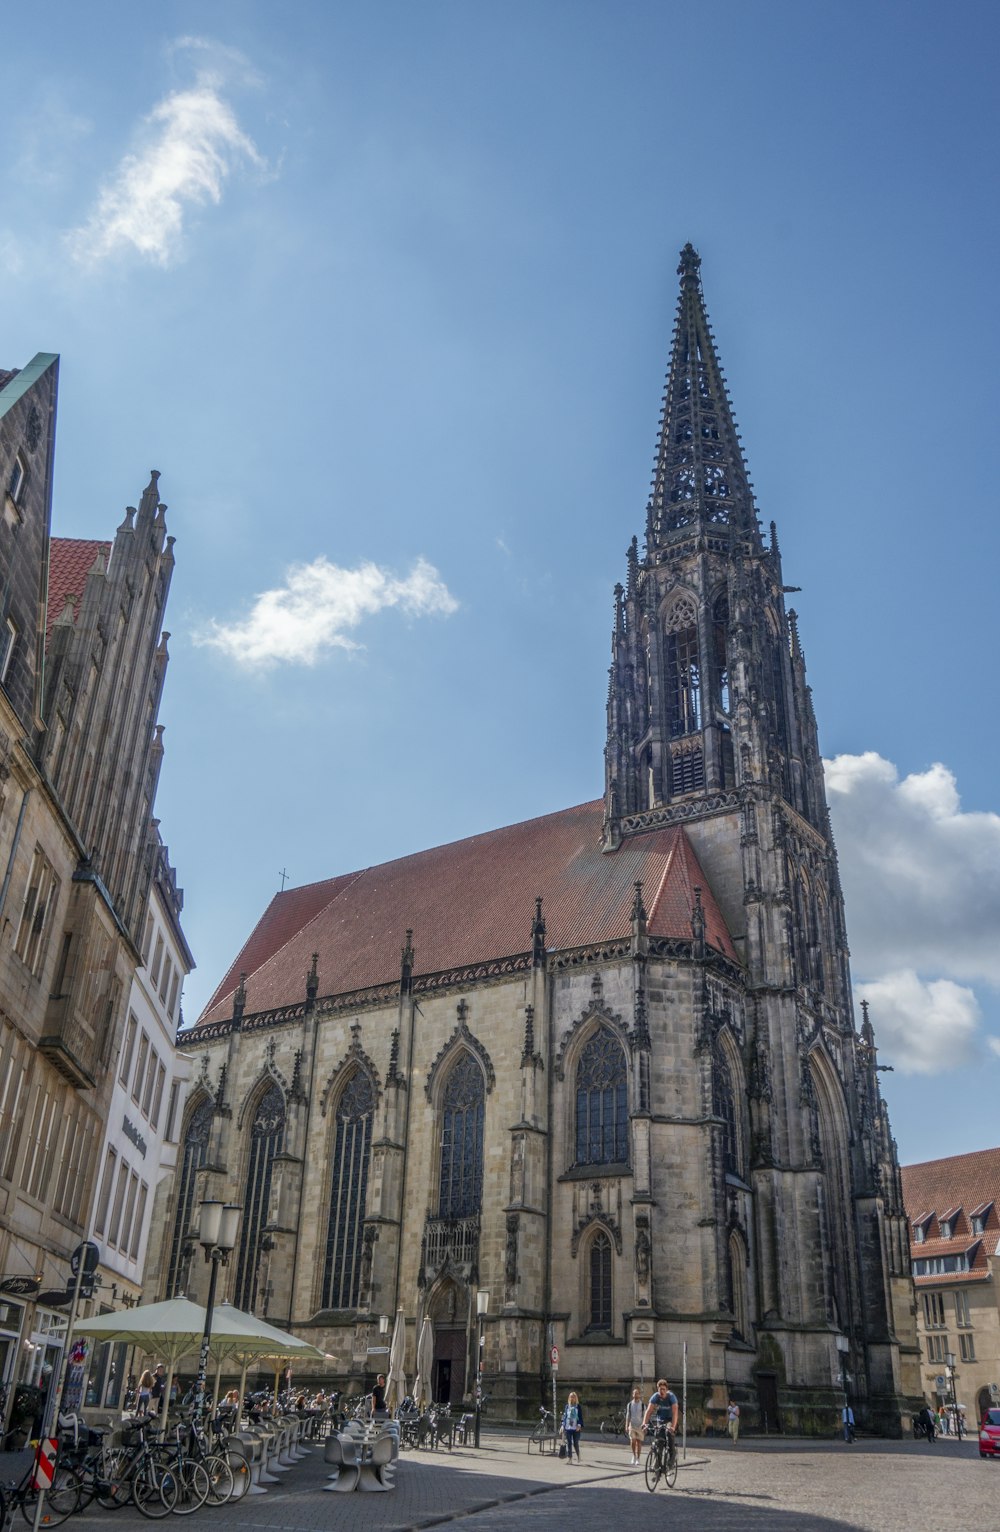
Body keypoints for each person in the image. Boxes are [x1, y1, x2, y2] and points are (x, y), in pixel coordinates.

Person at [643, 1378, 679, 1469]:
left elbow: (675, 1413)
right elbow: (648, 1411)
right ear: (657, 1389)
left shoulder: (671, 1397)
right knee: (659, 1441)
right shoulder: (655, 1397)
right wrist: (644, 1424)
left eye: (663, 1389)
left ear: (666, 1390)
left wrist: (673, 1427)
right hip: (661, 1420)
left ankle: (672, 1456)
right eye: (660, 1389)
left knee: (669, 1433)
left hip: (671, 1420)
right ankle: (657, 1463)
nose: (662, 1391)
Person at [625, 1386, 645, 1465]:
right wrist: (626, 1425)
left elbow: (644, 1416)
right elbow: (628, 1415)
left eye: (637, 1393)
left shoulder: (643, 1405)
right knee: (632, 1441)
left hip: (640, 1426)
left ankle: (638, 1458)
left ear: (639, 1395)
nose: (636, 1395)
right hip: (632, 1425)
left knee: (638, 1442)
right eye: (634, 1393)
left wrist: (644, 1426)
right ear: (632, 1395)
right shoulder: (629, 1405)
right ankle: (634, 1455)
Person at [561, 1391, 583, 1462]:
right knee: (569, 1443)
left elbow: (580, 1417)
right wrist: (562, 1425)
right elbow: (565, 1417)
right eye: (570, 1396)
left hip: (576, 1428)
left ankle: (578, 1455)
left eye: (573, 1397)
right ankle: (570, 1458)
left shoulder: (578, 1406)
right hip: (568, 1427)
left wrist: (579, 1425)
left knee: (575, 1443)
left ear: (575, 1398)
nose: (572, 1398)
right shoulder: (567, 1406)